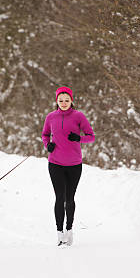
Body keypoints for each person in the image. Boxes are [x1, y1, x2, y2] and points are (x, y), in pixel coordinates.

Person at [41, 86, 95, 246]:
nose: (63, 103)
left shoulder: (78, 116)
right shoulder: (51, 117)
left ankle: (69, 229)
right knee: (59, 197)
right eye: (60, 100)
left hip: (74, 164)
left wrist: (79, 138)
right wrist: (47, 145)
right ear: (56, 101)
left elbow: (91, 137)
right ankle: (59, 233)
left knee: (69, 199)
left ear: (72, 100)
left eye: (66, 100)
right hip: (55, 163)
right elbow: (44, 134)